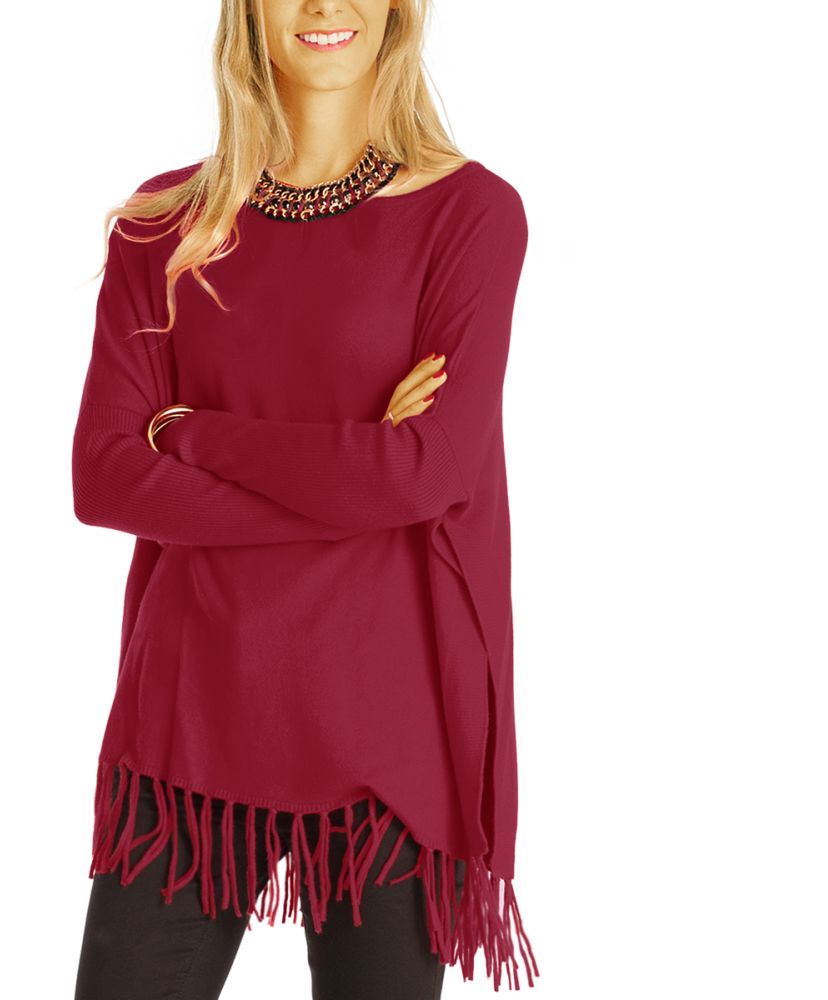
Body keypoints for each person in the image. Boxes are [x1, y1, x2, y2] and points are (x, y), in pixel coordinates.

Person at [70, 2, 538, 996]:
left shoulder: (470, 216)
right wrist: (358, 472)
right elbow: (103, 476)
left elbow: (429, 472)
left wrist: (191, 433)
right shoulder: (163, 224)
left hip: (387, 736)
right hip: (193, 720)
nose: (325, 6)